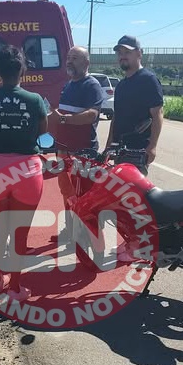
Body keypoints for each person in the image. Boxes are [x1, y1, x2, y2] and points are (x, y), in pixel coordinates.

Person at [0, 45, 49, 301]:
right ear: (22, 70)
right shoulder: (35, 100)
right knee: (20, 231)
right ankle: (16, 287)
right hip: (27, 170)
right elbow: (42, 130)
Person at [47, 45, 105, 243]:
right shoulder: (68, 85)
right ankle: (70, 231)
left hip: (83, 152)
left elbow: (91, 115)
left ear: (86, 63)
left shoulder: (92, 85)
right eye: (68, 57)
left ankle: (89, 236)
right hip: (63, 150)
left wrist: (63, 120)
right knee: (67, 192)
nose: (69, 61)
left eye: (75, 58)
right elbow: (60, 115)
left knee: (85, 195)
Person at [105, 35, 164, 176]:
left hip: (138, 151)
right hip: (120, 150)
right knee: (118, 193)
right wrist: (109, 145)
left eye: (127, 52)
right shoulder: (121, 85)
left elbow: (158, 114)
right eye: (120, 53)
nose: (122, 56)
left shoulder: (148, 80)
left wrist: (152, 146)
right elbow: (116, 117)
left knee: (133, 195)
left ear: (139, 53)